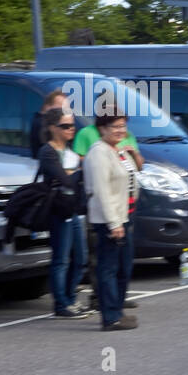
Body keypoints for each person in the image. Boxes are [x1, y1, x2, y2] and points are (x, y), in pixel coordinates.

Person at [73, 103, 142, 313]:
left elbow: (133, 176)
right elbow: (102, 191)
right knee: (109, 268)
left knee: (124, 267)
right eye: (115, 126)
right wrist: (114, 223)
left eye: (123, 126)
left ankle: (117, 309)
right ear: (102, 128)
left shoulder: (118, 150)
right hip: (109, 220)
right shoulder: (99, 153)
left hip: (125, 215)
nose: (121, 130)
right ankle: (110, 315)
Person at [37, 108, 89, 318]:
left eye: (72, 125)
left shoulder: (70, 152)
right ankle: (61, 304)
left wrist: (72, 174)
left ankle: (70, 299)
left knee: (81, 258)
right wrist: (77, 172)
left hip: (74, 209)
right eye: (65, 126)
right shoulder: (48, 152)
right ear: (52, 128)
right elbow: (66, 180)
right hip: (58, 209)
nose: (71, 129)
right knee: (61, 259)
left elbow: (70, 179)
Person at [30, 90, 67, 158]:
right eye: (60, 106)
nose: (64, 110)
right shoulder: (41, 124)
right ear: (48, 106)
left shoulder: (45, 121)